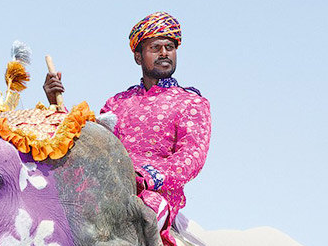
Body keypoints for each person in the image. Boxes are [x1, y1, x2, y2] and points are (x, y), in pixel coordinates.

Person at [43, 11, 211, 223]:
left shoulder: (191, 103)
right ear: (138, 57)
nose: (164, 53)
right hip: (108, 190)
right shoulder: (117, 103)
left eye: (170, 47)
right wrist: (54, 102)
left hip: (156, 195)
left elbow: (191, 157)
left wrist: (149, 177)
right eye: (155, 48)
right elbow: (91, 143)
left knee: (145, 215)